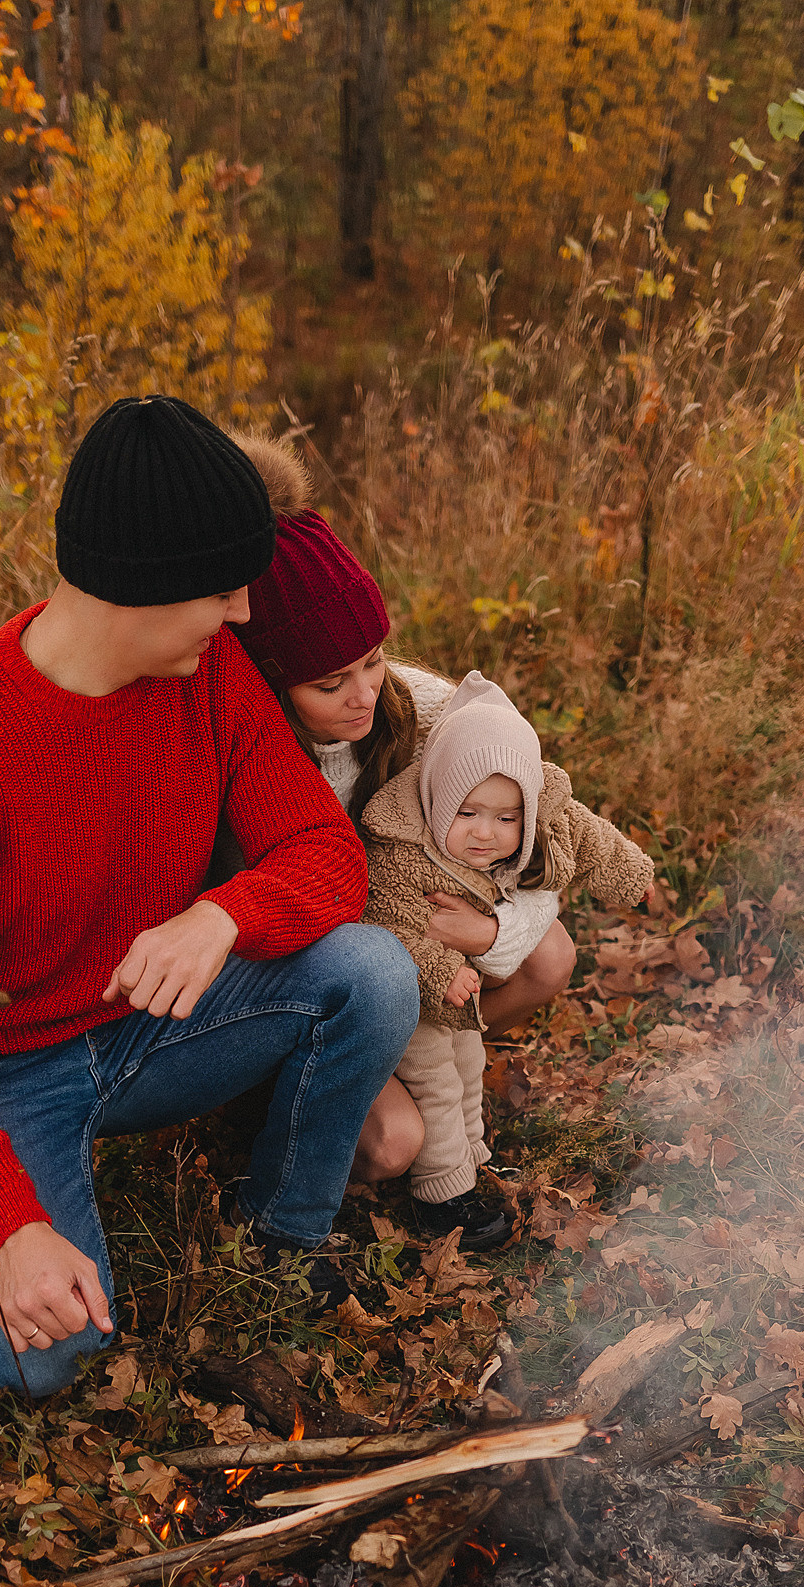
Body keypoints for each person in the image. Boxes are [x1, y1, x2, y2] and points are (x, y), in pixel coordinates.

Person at [0, 396, 420, 1398]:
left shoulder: (204, 678)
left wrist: (221, 914)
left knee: (370, 973)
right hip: (4, 1075)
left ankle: (283, 1230)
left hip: (157, 1027)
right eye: (224, 591)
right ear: (144, 588)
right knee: (44, 1361)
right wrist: (14, 1226)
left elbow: (324, 853)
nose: (246, 615)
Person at [227, 436, 576, 1222]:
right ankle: (291, 1107)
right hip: (334, 969)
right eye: (328, 682)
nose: (362, 695)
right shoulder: (249, 758)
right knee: (392, 1147)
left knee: (548, 955)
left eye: (373, 661)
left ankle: (428, 1082)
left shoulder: (419, 707)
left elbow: (534, 835)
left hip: (423, 943)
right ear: (270, 681)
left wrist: (488, 929)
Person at [361, 672, 654, 1237]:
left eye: (505, 819)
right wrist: (441, 969)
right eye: (466, 814)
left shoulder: (543, 806)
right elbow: (386, 922)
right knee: (436, 1083)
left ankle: (470, 1159)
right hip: (412, 993)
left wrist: (632, 876)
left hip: (459, 993)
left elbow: (589, 837)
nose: (484, 835)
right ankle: (440, 1194)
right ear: (436, 799)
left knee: (469, 1063)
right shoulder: (402, 849)